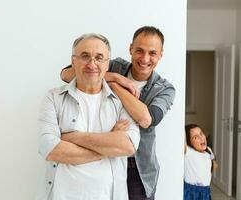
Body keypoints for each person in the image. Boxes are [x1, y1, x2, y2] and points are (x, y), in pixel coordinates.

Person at [60, 26, 176, 200]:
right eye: (139, 51)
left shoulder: (165, 88)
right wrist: (116, 77)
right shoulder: (114, 66)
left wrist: (114, 85)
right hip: (103, 156)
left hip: (138, 170)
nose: (145, 59)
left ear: (160, 54)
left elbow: (146, 119)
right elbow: (66, 74)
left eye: (152, 53)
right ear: (130, 48)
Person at [37, 33, 141, 200]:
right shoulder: (54, 98)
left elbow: (127, 146)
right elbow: (50, 149)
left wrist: (73, 137)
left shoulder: (121, 101)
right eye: (85, 56)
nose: (92, 64)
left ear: (107, 64)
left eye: (99, 57)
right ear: (73, 61)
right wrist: (109, 144)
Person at [184, 124, 218, 200]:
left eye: (201, 134)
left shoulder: (208, 150)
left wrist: (212, 168)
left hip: (205, 190)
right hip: (191, 192)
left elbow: (214, 163)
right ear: (189, 143)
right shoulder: (189, 152)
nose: (201, 138)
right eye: (196, 137)